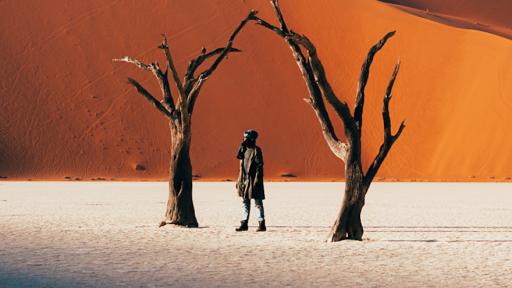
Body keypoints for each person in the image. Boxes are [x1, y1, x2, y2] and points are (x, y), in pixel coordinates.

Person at [235, 129, 266, 232]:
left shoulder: (257, 150)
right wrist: (239, 180)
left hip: (253, 181)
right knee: (245, 202)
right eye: (244, 137)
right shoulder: (243, 149)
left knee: (258, 202)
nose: (245, 140)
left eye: (247, 138)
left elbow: (259, 167)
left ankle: (261, 224)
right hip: (244, 180)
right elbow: (241, 166)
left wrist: (257, 180)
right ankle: (244, 223)